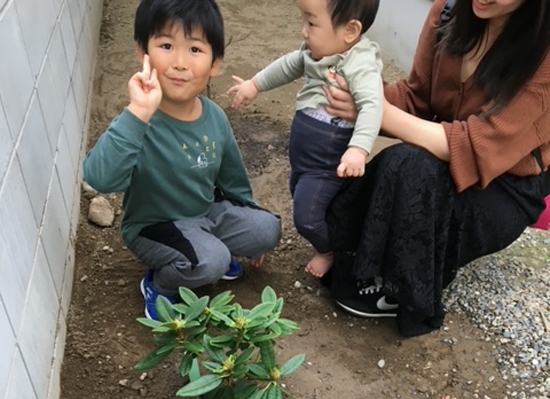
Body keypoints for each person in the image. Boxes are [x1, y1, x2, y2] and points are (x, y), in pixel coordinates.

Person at [322, 0, 550, 337]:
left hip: (503, 187)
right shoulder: (448, 12)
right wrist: (360, 93)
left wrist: (378, 113)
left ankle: (404, 294)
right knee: (391, 165)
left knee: (408, 166)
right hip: (439, 156)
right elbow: (418, 99)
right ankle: (353, 256)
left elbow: (478, 144)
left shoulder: (543, 55)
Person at [82, 0, 281, 321]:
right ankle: (160, 286)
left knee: (267, 229)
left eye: (195, 49)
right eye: (166, 45)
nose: (179, 62)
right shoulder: (139, 120)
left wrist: (249, 221)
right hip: (152, 226)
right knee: (212, 261)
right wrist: (138, 113)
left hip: (205, 213)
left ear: (215, 63)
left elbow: (233, 181)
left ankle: (207, 250)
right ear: (142, 53)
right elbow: (99, 177)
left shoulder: (214, 117)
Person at [227, 0, 383, 278]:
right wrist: (254, 84)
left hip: (327, 160)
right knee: (304, 197)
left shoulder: (360, 62)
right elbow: (289, 65)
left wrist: (358, 149)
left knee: (306, 218)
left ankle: (329, 251)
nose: (303, 31)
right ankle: (336, 235)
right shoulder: (317, 52)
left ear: (350, 30)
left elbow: (373, 105)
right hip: (304, 157)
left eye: (311, 23)